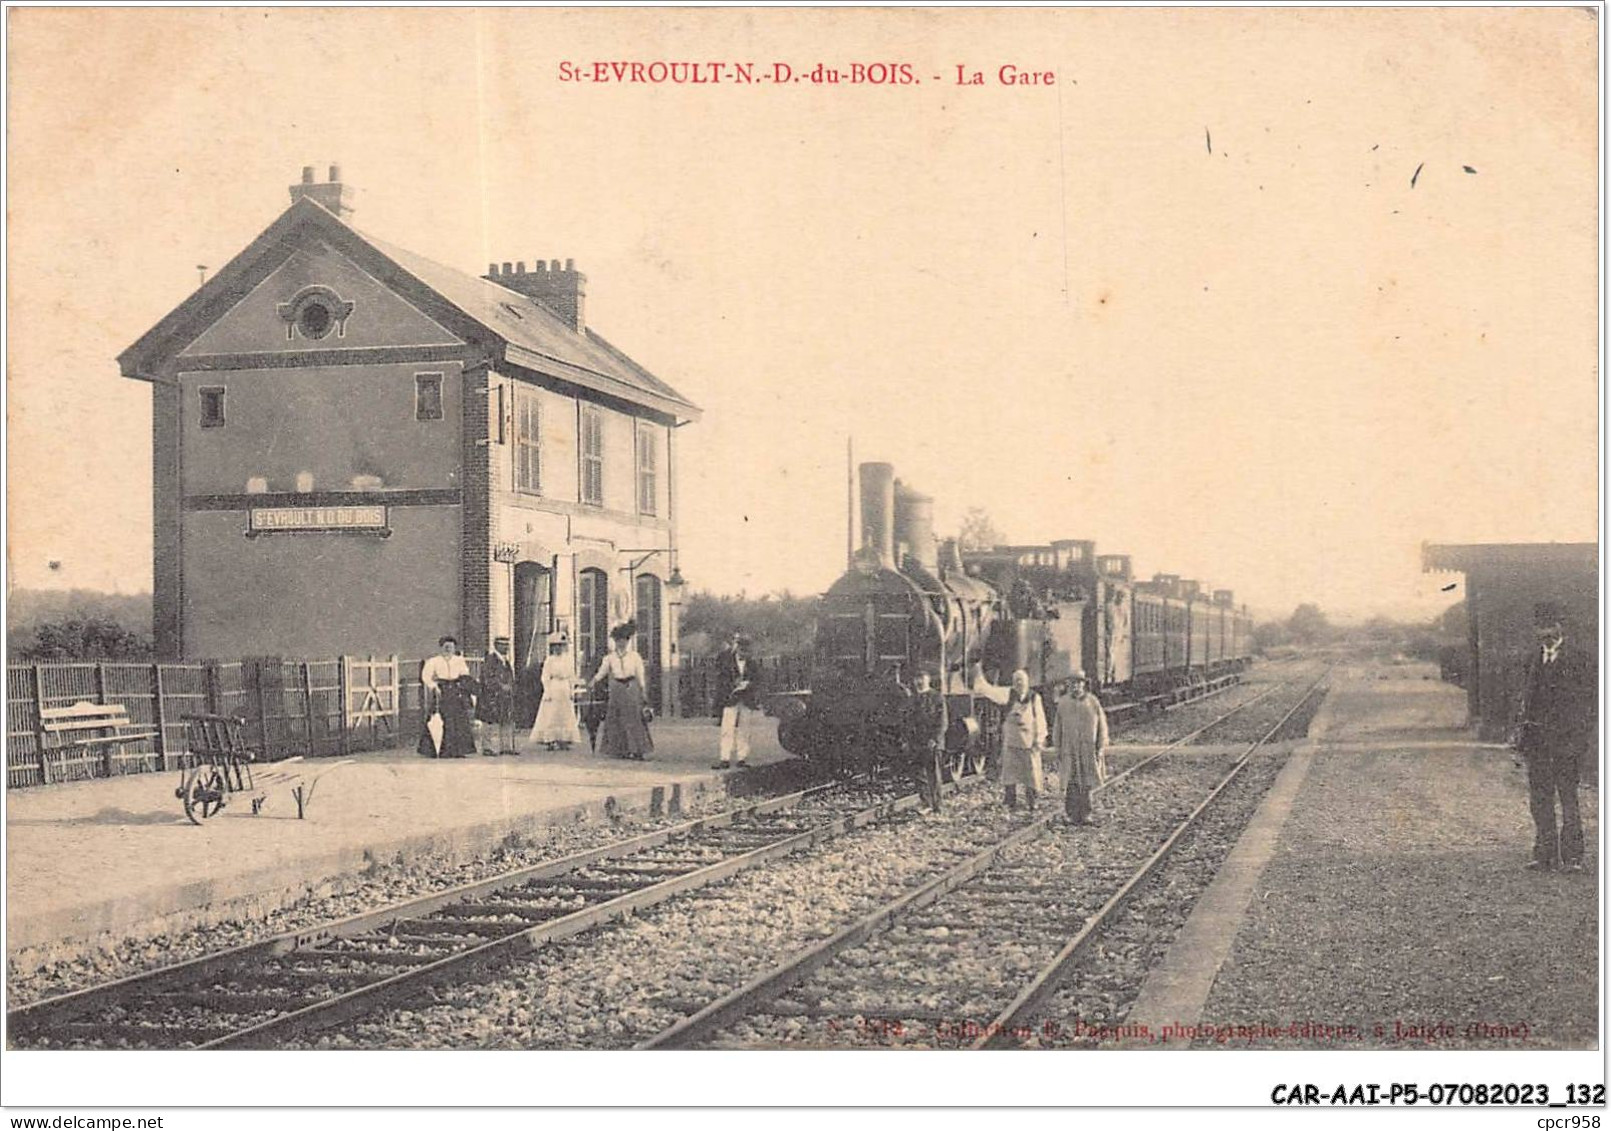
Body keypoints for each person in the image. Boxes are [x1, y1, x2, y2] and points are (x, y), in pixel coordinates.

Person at [1515, 602, 1596, 872]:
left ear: (1560, 626)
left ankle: (1572, 856)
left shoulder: (1580, 659)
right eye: (1541, 627)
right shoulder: (1531, 659)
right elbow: (1526, 700)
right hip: (1537, 741)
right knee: (1540, 798)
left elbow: (1590, 702)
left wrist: (1581, 736)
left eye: (1551, 626)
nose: (1546, 632)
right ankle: (1544, 854)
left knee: (1568, 797)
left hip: (1567, 741)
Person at [975, 667, 1047, 810]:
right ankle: (1009, 800)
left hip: (1029, 741)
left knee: (1031, 773)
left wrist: (1039, 739)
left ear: (1027, 683)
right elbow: (989, 691)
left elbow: (1040, 719)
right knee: (1009, 773)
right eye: (1016, 681)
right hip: (1012, 741)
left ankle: (1032, 801)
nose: (1019, 684)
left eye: (1022, 681)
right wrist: (977, 674)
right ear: (1013, 683)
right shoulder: (1008, 694)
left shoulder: (1034, 698)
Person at [1053, 670, 1110, 826]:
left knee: (1086, 781)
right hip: (1069, 749)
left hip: (1088, 749)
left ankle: (1086, 813)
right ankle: (1071, 814)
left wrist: (1100, 746)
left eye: (1079, 683)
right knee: (1071, 781)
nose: (1076, 686)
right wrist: (1057, 748)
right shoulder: (1063, 703)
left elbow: (1102, 727)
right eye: (1072, 683)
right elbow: (1057, 728)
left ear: (1084, 684)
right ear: (1068, 685)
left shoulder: (1092, 702)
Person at [592, 622, 654, 760]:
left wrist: (643, 689)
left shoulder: (634, 656)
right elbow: (602, 672)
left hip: (631, 687)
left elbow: (640, 673)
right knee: (616, 719)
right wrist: (594, 681)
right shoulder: (610, 658)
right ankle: (619, 750)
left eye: (624, 640)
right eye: (619, 640)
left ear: (628, 641)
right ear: (615, 641)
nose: (621, 643)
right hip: (617, 688)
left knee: (634, 718)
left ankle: (637, 749)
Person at [418, 635, 476, 758]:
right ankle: (439, 749)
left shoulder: (459, 660)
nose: (448, 649)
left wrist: (462, 685)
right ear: (441, 648)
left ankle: (458, 750)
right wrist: (433, 686)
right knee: (440, 718)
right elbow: (426, 676)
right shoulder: (434, 661)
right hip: (442, 690)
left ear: (454, 648)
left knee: (459, 719)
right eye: (446, 647)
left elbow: (465, 674)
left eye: (451, 647)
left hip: (455, 689)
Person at [712, 633, 760, 770]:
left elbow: (758, 680)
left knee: (745, 729)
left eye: (747, 650)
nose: (744, 653)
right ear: (737, 648)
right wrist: (732, 685)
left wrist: (748, 684)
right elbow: (720, 680)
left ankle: (742, 758)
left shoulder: (752, 663)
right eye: (742, 650)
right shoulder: (726, 662)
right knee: (727, 728)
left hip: (746, 699)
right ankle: (724, 758)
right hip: (730, 698)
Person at [904, 668, 948, 812]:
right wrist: (907, 740)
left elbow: (942, 721)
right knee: (918, 773)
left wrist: (935, 739)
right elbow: (907, 721)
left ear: (928, 680)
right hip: (916, 741)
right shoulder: (912, 699)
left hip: (932, 742)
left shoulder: (937, 697)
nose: (919, 681)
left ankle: (938, 804)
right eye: (917, 679)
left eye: (922, 678)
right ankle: (926, 802)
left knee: (933, 773)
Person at [531, 634, 582, 750]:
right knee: (552, 714)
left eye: (561, 646)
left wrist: (572, 690)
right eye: (556, 646)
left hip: (564, 687)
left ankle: (563, 739)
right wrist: (547, 690)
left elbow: (571, 676)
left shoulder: (568, 660)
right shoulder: (549, 660)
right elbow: (545, 677)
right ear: (553, 648)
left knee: (564, 714)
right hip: (554, 687)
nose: (558, 648)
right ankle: (551, 739)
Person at [476, 637, 517, 756]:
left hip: (504, 696)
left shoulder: (506, 662)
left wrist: (510, 686)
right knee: (489, 721)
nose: (506, 648)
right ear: (496, 646)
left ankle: (506, 747)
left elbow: (509, 676)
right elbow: (488, 677)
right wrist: (501, 686)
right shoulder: (490, 660)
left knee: (505, 719)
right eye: (503, 645)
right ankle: (487, 747)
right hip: (491, 695)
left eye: (507, 645)